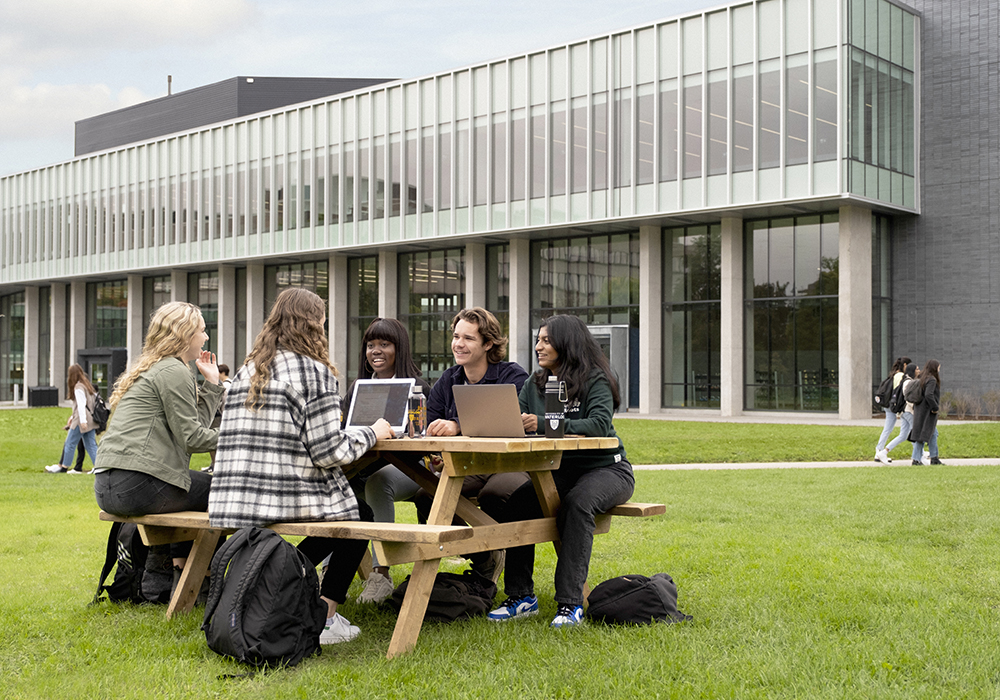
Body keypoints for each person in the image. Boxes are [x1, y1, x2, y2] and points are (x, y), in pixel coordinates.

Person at [208, 288, 395, 645]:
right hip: (280, 493)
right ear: (315, 325)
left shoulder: (248, 370)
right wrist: (372, 432)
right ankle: (324, 614)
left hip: (235, 496)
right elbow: (329, 452)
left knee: (347, 515)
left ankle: (275, 584)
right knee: (359, 516)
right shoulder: (315, 372)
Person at [482, 314, 634, 628]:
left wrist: (547, 424)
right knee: (517, 504)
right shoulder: (535, 383)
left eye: (546, 340)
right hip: (560, 471)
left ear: (567, 343)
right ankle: (522, 596)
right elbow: (518, 420)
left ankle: (570, 604)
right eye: (538, 340)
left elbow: (599, 425)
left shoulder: (596, 379)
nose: (538, 346)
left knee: (577, 504)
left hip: (607, 469)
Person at [94, 301, 225, 577]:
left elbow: (191, 428)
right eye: (202, 330)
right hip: (137, 485)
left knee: (192, 484)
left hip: (108, 487)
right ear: (185, 334)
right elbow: (193, 439)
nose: (206, 337)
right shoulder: (174, 371)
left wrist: (212, 385)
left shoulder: (155, 368)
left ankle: (167, 574)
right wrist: (237, 437)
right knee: (223, 490)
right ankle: (201, 582)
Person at [416, 307, 529, 581]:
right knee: (426, 495)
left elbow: (505, 418)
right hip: (470, 465)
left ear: (488, 343)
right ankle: (483, 557)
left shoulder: (512, 376)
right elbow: (429, 426)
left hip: (510, 464)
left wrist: (456, 425)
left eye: (468, 338)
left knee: (495, 493)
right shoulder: (449, 379)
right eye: (456, 336)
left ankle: (498, 556)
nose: (458, 344)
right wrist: (436, 450)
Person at [344, 317, 432, 604]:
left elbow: (425, 442)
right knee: (337, 485)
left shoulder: (417, 387)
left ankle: (381, 573)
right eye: (370, 345)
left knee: (378, 484)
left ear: (400, 348)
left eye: (384, 344)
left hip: (410, 469)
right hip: (362, 464)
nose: (375, 351)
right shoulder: (358, 387)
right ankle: (332, 569)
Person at [45, 364, 100, 474]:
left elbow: (81, 405)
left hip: (80, 420)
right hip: (90, 419)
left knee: (70, 442)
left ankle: (64, 467)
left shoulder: (78, 387)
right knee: (90, 444)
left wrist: (82, 421)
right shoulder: (87, 385)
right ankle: (99, 466)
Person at [874, 356, 911, 464]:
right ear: (905, 365)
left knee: (888, 429)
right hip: (895, 405)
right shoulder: (900, 376)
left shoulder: (893, 374)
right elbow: (900, 391)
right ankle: (920, 452)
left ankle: (878, 451)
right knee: (908, 428)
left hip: (888, 405)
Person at [910, 359, 943, 466]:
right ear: (934, 368)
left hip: (919, 409)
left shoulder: (921, 378)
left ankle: (934, 457)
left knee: (932, 433)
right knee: (923, 434)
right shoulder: (932, 380)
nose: (939, 369)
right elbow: (929, 395)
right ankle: (916, 459)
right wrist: (935, 407)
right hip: (927, 411)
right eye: (938, 367)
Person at [883, 363, 918, 460]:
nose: (919, 371)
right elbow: (907, 397)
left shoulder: (906, 380)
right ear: (913, 370)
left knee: (903, 435)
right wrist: (914, 407)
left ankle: (884, 452)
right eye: (917, 369)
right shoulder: (908, 381)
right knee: (914, 432)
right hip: (907, 411)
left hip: (903, 412)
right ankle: (918, 456)